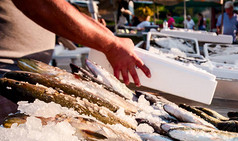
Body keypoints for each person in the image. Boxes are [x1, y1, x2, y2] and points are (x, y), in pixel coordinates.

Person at [0, 0, 151, 121]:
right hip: (6, 79)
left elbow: (58, 9)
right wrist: (112, 45)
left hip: (28, 76)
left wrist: (102, 34)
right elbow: (40, 5)